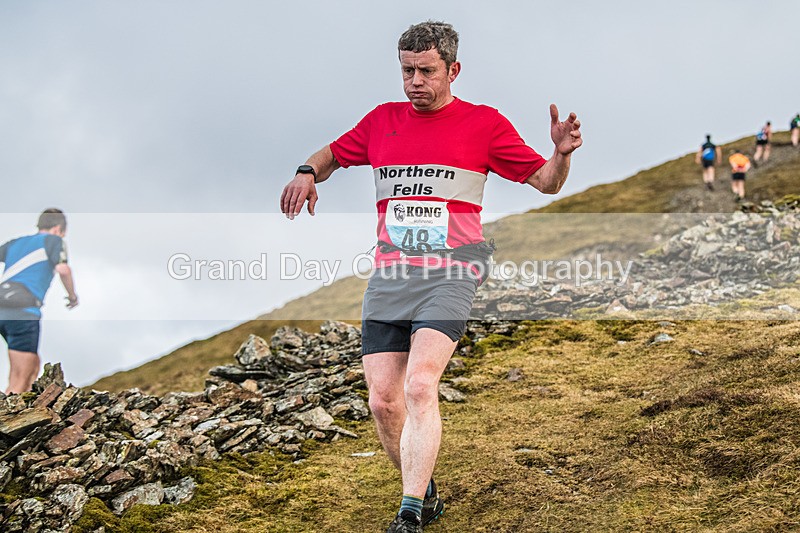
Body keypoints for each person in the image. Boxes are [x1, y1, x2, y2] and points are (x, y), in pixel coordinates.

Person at [279, 21, 581, 532]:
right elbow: (330, 155)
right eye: (406, 71)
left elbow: (546, 184)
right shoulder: (382, 121)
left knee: (420, 386)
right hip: (391, 274)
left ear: (453, 70)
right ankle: (425, 490)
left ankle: (410, 512)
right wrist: (306, 173)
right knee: (382, 400)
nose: (414, 81)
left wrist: (561, 154)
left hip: (452, 271)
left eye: (426, 71)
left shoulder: (483, 124)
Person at [0, 209, 78, 394]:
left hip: (2, 305)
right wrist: (72, 297)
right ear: (59, 228)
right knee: (20, 376)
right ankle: (9, 419)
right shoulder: (55, 241)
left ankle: (23, 408)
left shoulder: (15, 243)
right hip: (23, 310)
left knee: (33, 364)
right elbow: (63, 270)